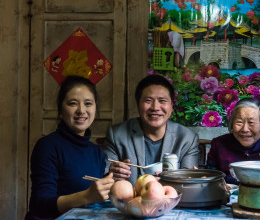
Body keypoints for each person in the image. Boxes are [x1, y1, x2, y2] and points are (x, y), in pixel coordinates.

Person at [26, 76, 114, 220]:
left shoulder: (97, 152)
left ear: (95, 107)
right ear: (61, 108)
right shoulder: (47, 146)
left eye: (88, 103)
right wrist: (86, 196)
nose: (81, 110)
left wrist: (111, 180)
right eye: (73, 103)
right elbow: (40, 204)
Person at [102, 74, 199, 185]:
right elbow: (106, 176)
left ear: (172, 105)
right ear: (138, 104)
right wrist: (112, 173)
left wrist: (188, 179)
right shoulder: (117, 135)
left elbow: (189, 181)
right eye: (148, 101)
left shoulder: (187, 139)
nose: (155, 108)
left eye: (162, 101)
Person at [206, 98, 260, 184]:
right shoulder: (219, 144)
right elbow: (210, 177)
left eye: (251, 122)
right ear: (232, 124)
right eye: (239, 122)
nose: (245, 129)